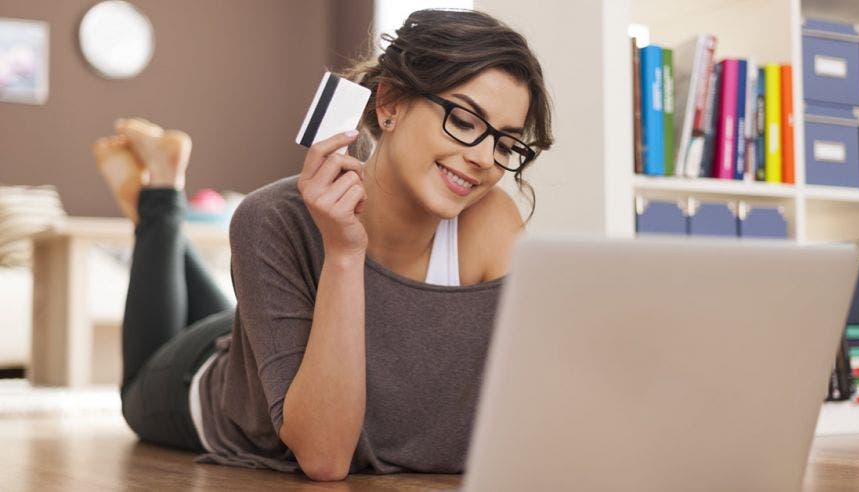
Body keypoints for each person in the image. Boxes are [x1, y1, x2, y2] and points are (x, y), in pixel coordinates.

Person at [92, 8, 553, 482]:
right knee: (134, 391)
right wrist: (344, 253)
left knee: (250, 323)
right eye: (463, 120)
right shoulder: (273, 217)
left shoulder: (491, 220)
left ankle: (158, 201)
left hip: (268, 336)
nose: (482, 158)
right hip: (206, 381)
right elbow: (326, 458)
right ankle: (161, 195)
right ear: (390, 103)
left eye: (505, 144)